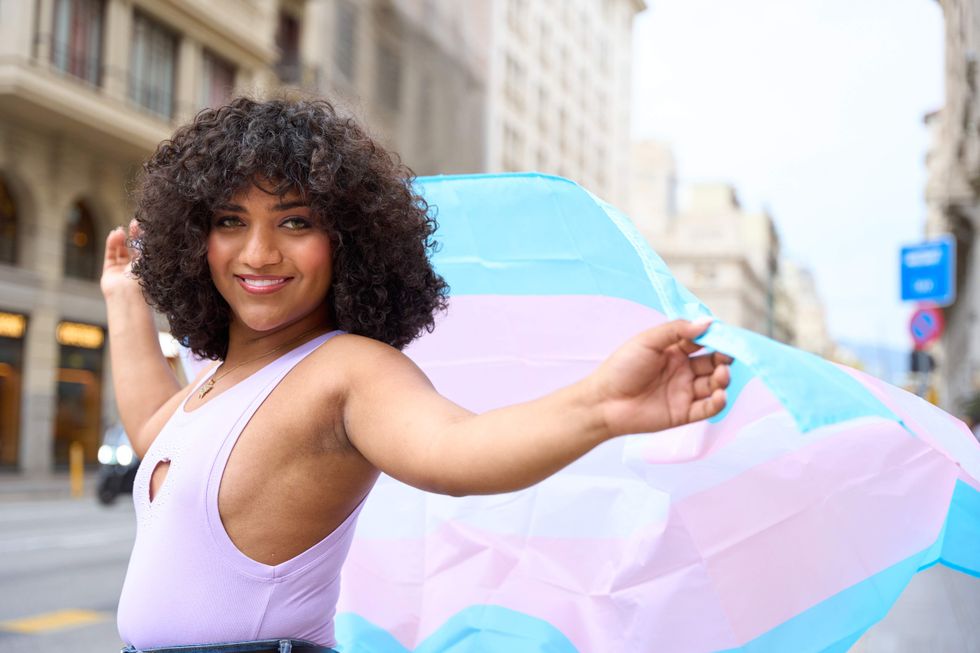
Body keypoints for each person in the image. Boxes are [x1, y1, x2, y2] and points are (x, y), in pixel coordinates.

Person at [101, 96, 732, 653]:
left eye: (295, 222)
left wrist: (601, 407)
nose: (260, 252)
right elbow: (152, 433)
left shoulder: (347, 370)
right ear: (196, 240)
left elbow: (452, 449)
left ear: (348, 240)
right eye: (230, 221)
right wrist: (125, 296)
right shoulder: (220, 379)